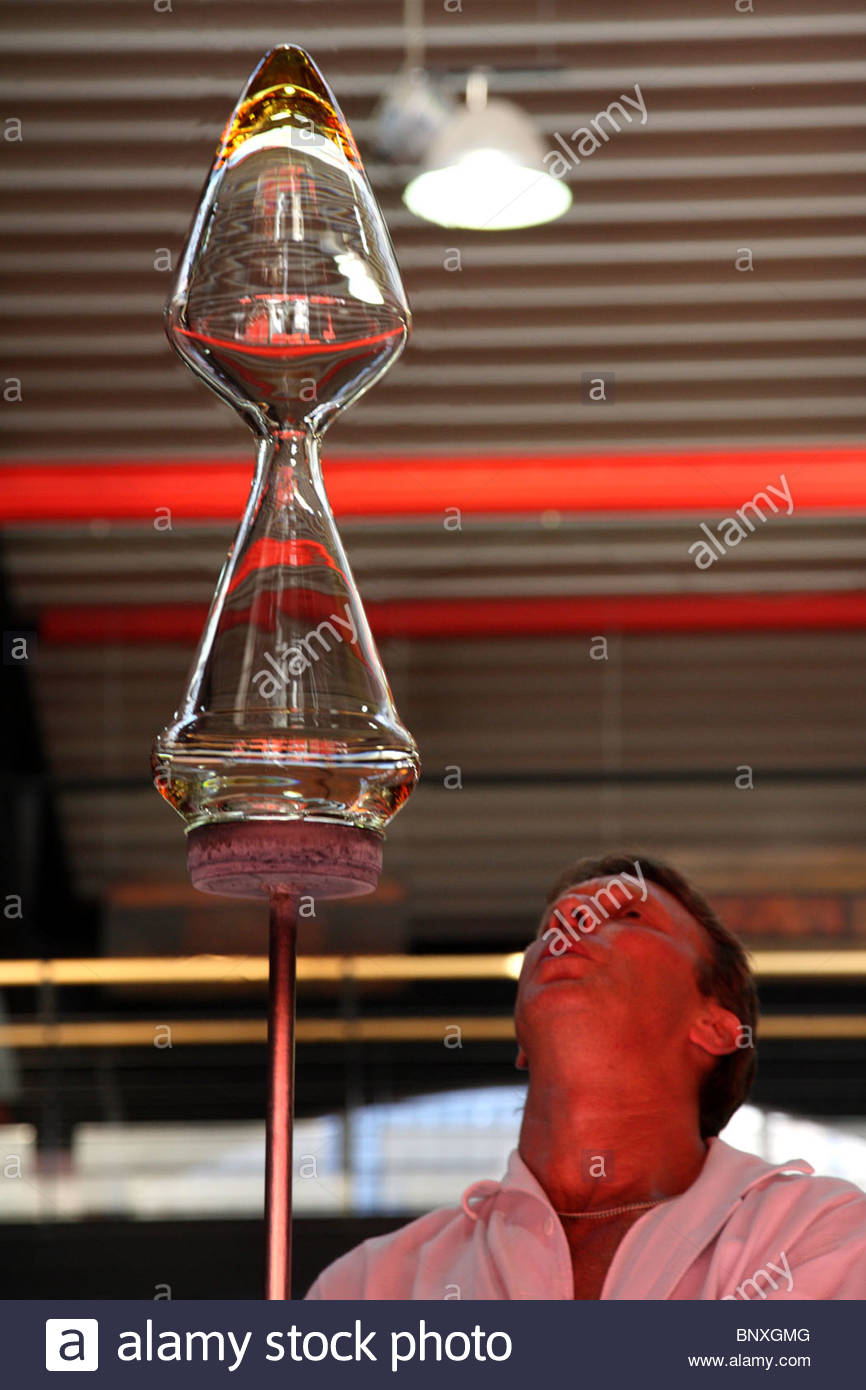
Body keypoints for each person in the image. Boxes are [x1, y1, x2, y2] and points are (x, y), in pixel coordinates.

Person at [306, 853, 866, 1300]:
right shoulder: (369, 1289)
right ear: (523, 1041)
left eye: (628, 915)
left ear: (717, 1028)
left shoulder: (818, 1237)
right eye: (555, 925)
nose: (572, 926)